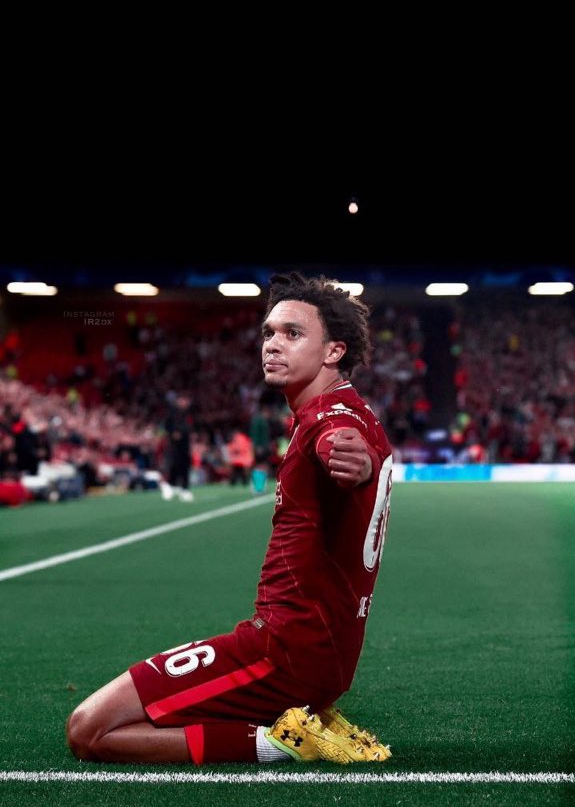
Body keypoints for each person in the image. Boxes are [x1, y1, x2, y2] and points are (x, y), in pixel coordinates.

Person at [67, 273, 394, 766]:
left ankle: (282, 743)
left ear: (334, 351)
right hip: (320, 654)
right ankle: (298, 718)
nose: (272, 344)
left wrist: (354, 462)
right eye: (269, 333)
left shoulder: (332, 420)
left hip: (283, 654)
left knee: (89, 730)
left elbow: (344, 447)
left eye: (293, 333)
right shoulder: (355, 410)